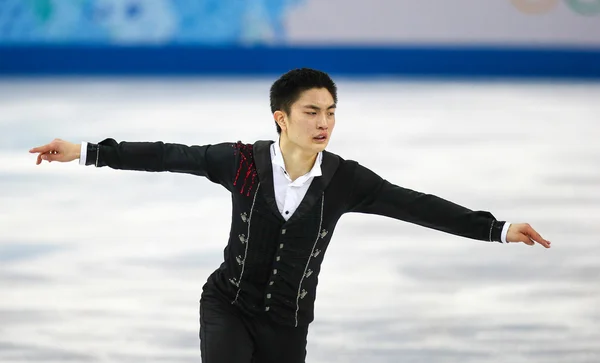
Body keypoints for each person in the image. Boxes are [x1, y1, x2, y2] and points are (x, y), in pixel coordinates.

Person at [29, 68, 551, 363]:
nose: (324, 122)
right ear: (282, 117)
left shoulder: (345, 180)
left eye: (330, 112)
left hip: (288, 321)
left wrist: (496, 229)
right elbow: (169, 154)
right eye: (311, 111)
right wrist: (86, 150)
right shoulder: (239, 162)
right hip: (229, 303)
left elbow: (413, 205)